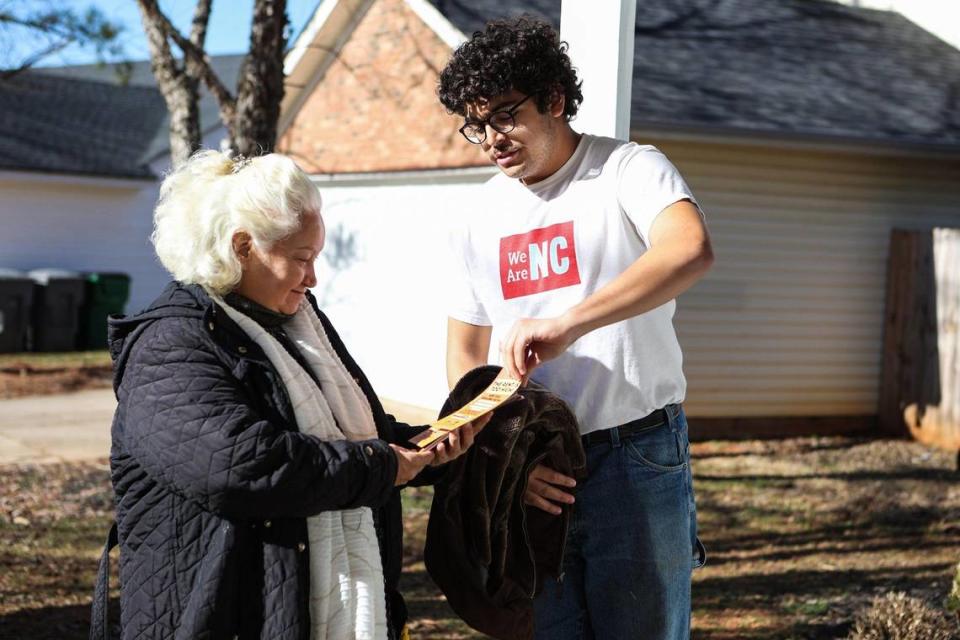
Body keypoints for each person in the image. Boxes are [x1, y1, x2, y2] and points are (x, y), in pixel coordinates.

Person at [105, 150, 486, 640]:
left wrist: (428, 450)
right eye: (301, 259)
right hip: (222, 615)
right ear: (242, 246)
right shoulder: (169, 343)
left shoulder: (294, 324)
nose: (313, 278)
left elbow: (353, 433)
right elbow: (241, 466)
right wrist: (381, 465)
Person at [438, 17, 714, 640]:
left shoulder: (626, 169)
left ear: (555, 100)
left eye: (504, 115)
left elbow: (689, 249)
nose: (490, 138)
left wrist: (568, 323)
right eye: (475, 124)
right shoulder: (475, 213)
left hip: (635, 453)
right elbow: (463, 350)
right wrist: (504, 455)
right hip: (533, 468)